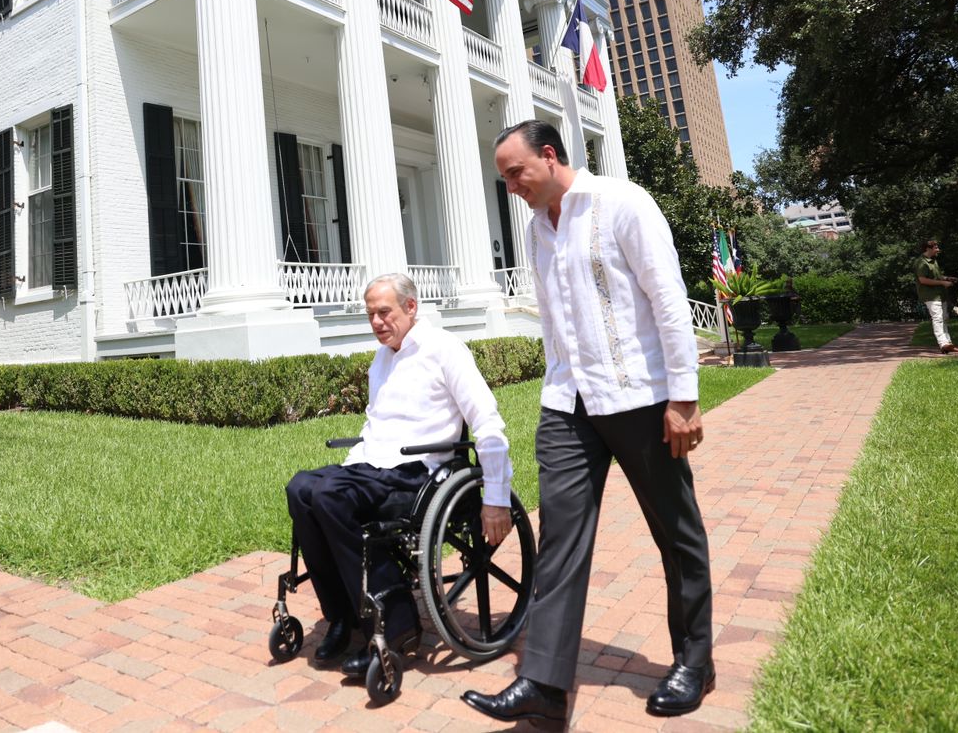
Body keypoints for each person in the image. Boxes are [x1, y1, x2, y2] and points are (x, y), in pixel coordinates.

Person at [462, 120, 714, 723]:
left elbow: (670, 301)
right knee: (560, 542)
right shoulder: (535, 231)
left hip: (641, 399)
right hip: (568, 404)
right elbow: (555, 320)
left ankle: (695, 661)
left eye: (515, 172)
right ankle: (544, 685)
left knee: (675, 532)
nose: (511, 186)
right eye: (503, 177)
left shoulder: (622, 202)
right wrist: (555, 384)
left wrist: (683, 397)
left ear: (549, 157)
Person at [284, 273, 513, 676]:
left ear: (411, 307)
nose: (376, 322)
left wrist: (496, 494)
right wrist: (353, 463)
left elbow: (488, 422)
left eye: (383, 312)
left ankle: (398, 623)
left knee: (330, 495)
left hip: (419, 474)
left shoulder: (445, 349)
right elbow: (376, 427)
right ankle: (341, 615)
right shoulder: (382, 358)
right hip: (376, 467)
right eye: (370, 314)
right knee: (302, 487)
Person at [915, 240, 958, 354]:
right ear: (928, 248)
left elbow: (937, 276)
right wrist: (942, 283)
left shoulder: (934, 261)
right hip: (930, 296)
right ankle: (943, 344)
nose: (938, 250)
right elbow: (923, 280)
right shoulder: (921, 262)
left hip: (940, 295)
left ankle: (948, 344)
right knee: (938, 319)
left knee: (944, 318)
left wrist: (946, 278)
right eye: (936, 248)